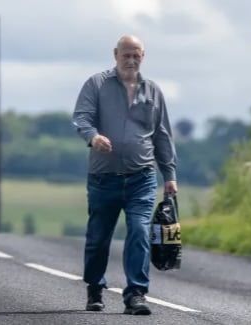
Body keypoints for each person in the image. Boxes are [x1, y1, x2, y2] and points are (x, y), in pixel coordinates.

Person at [72, 35, 178, 315]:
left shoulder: (153, 91)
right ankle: (95, 288)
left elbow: (162, 135)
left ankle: (136, 294)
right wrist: (93, 137)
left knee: (140, 232)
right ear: (115, 54)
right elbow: (81, 117)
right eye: (126, 55)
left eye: (136, 55)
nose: (131, 60)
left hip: (141, 178)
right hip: (103, 178)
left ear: (143, 56)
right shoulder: (96, 84)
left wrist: (169, 174)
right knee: (98, 237)